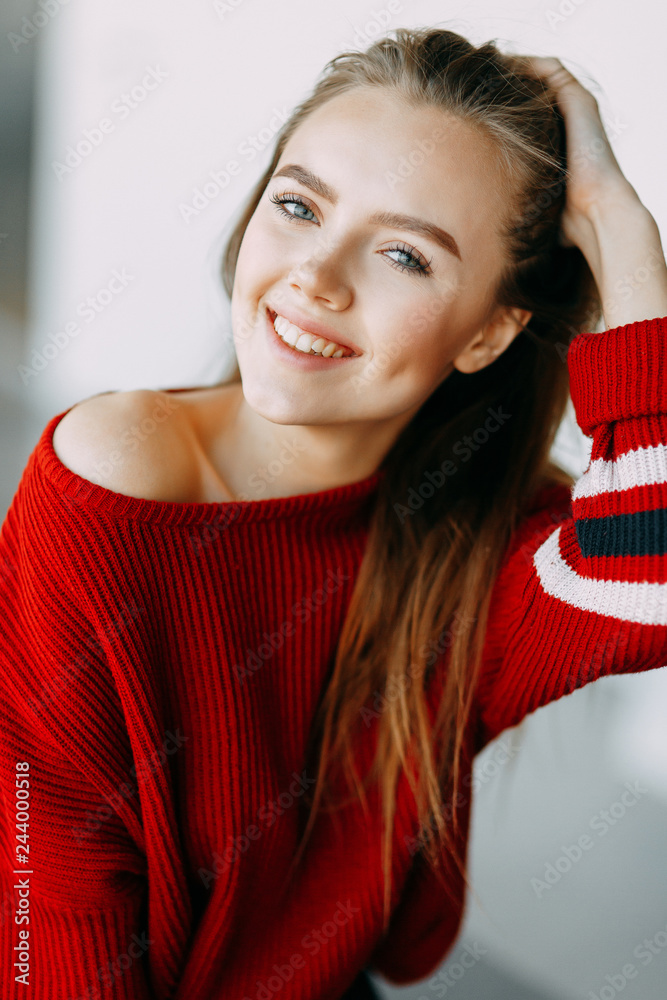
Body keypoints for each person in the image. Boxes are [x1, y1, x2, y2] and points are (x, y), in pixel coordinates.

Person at [1, 24, 666, 1000]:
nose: (315, 275)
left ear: (488, 331)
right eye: (300, 204)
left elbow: (653, 582)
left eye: (402, 254)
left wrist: (618, 225)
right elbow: (47, 888)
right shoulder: (114, 478)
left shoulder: (477, 545)